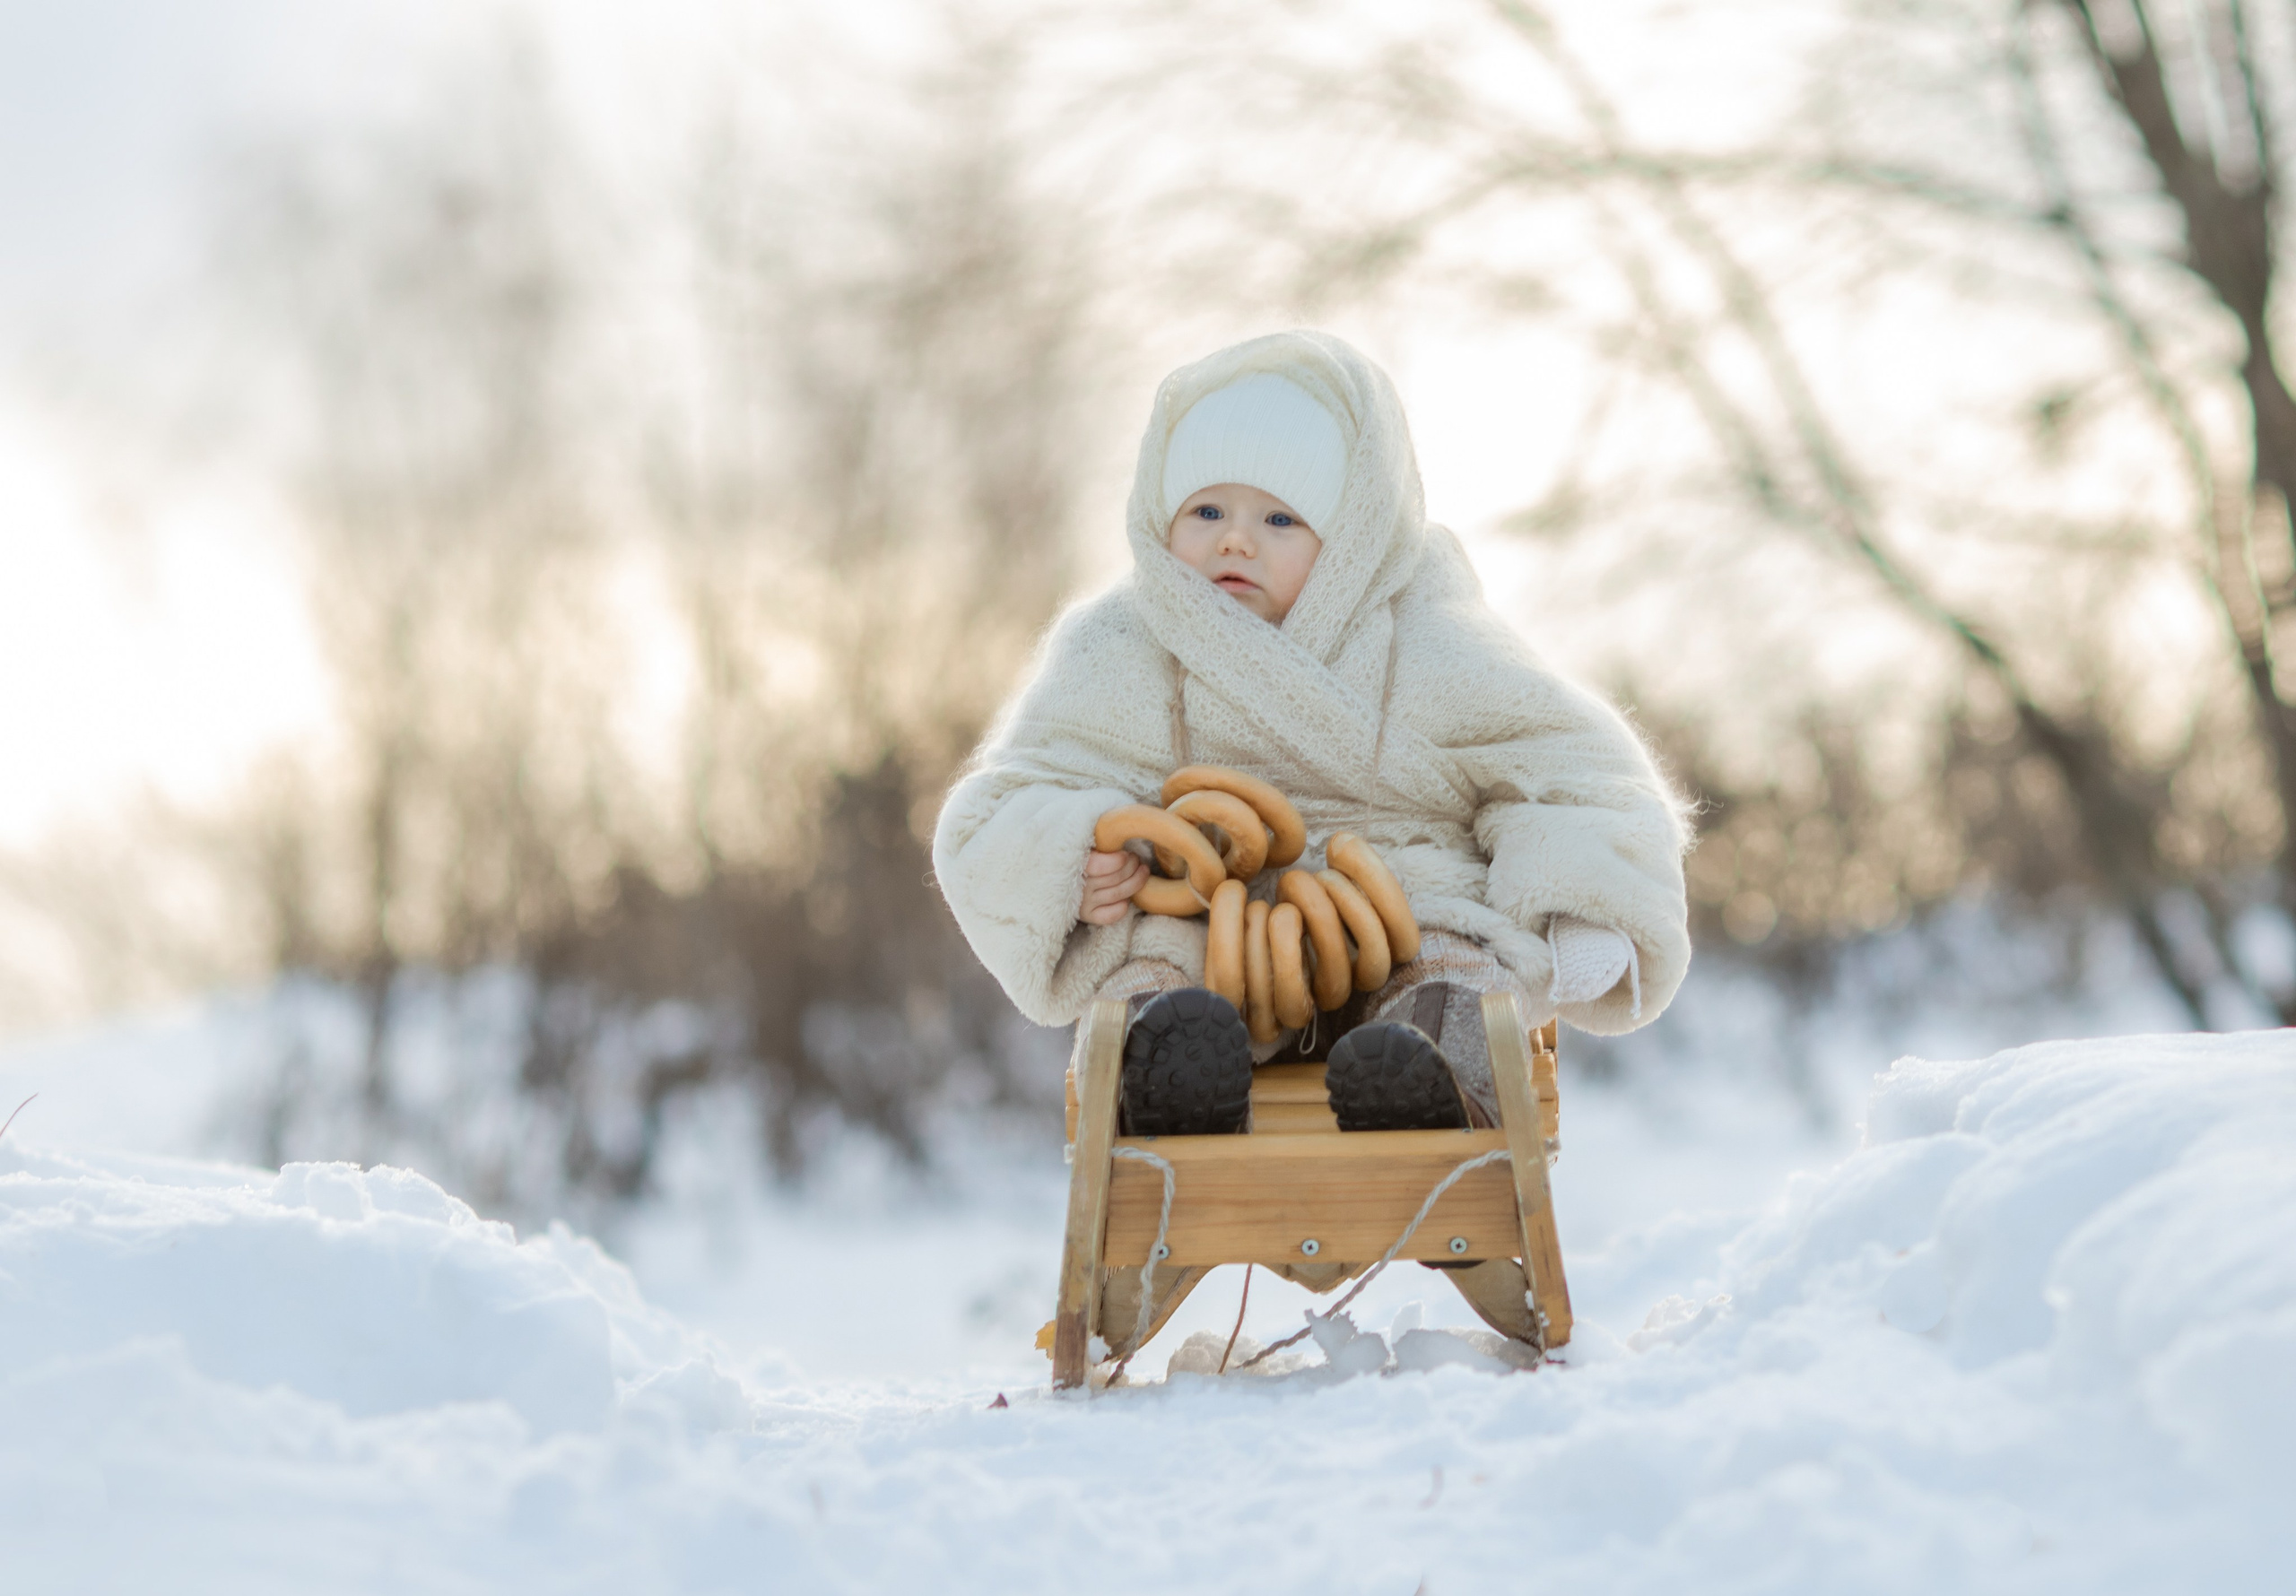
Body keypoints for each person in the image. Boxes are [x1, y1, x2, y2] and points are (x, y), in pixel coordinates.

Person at [932, 330, 1689, 1344]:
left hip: (1396, 901)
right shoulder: (1120, 645)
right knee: (1154, 963)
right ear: (1162, 516)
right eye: (1205, 511)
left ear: (1355, 535)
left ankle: (1424, 1067)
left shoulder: (1428, 637)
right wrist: (1077, 857)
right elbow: (1015, 792)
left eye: (1278, 518)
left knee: (1457, 959)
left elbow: (1567, 762)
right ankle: (1176, 1073)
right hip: (1215, 918)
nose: (1232, 541)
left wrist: (1585, 904)